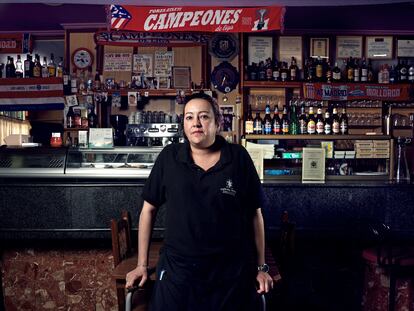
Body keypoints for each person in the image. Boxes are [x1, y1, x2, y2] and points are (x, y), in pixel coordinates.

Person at [126, 92, 273, 311]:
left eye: (204, 116)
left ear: (217, 122)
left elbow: (255, 214)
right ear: (183, 123)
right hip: (179, 269)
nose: (196, 123)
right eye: (189, 117)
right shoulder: (169, 157)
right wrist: (141, 265)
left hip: (230, 269)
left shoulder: (238, 157)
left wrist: (261, 267)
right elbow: (148, 211)